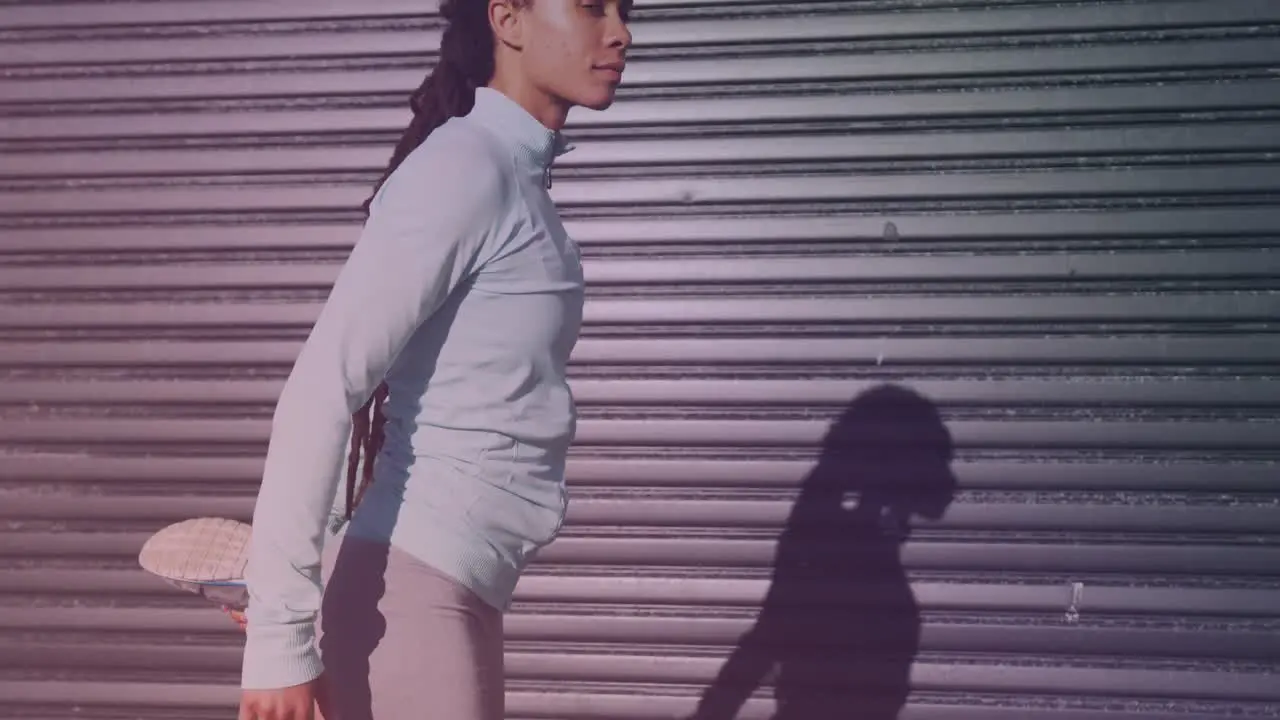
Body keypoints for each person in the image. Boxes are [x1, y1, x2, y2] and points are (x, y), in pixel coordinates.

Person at [233, 0, 632, 718]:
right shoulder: (463, 166)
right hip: (415, 594)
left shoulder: (515, 180)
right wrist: (279, 636)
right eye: (591, 6)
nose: (620, 32)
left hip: (446, 589)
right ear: (507, 19)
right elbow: (325, 385)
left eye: (625, 10)